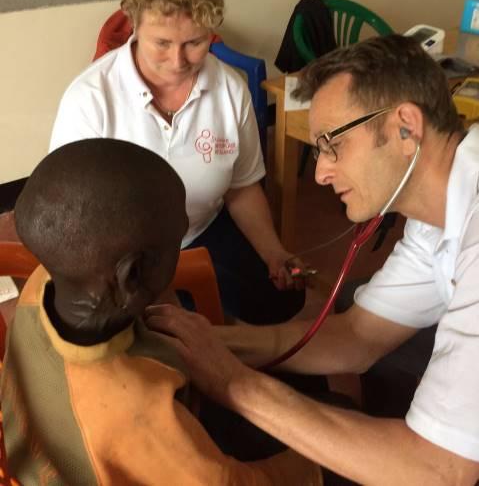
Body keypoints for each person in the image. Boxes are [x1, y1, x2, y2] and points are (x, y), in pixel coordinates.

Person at [146, 35, 479, 485]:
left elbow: (441, 470)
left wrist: (233, 382)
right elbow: (359, 338)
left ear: (405, 127)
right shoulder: (431, 215)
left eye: (331, 144)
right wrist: (217, 343)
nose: (320, 172)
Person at [0, 138, 321, 486]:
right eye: (178, 239)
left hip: (73, 448)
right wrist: (312, 467)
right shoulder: (140, 415)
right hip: (146, 451)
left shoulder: (40, 285)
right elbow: (226, 482)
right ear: (133, 276)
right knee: (327, 415)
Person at [49, 0, 304, 325]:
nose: (178, 61)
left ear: (211, 33)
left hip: (203, 231)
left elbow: (242, 187)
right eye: (162, 43)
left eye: (195, 43)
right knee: (134, 338)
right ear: (135, 25)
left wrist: (273, 253)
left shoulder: (230, 89)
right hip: (120, 252)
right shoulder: (90, 98)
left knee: (281, 304)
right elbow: (71, 216)